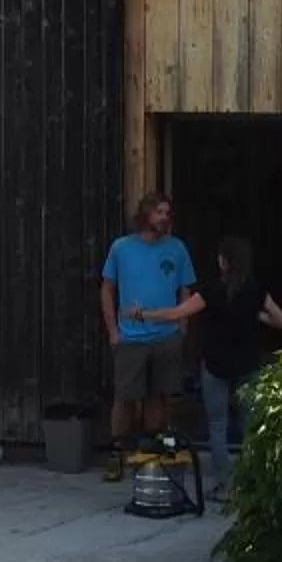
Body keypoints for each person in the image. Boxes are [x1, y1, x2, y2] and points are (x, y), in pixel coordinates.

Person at [128, 235, 282, 485]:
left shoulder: (212, 291)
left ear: (224, 262)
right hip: (247, 365)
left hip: (215, 365)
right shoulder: (256, 291)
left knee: (217, 426)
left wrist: (142, 314)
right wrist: (258, 316)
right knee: (249, 426)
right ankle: (249, 484)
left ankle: (224, 485)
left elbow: (176, 313)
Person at [100, 193, 195, 453]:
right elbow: (107, 289)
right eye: (159, 212)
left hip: (166, 335)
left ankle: (151, 453)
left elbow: (185, 290)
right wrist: (113, 331)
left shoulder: (177, 248)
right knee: (124, 397)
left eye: (167, 213)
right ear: (145, 215)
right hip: (130, 336)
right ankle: (117, 455)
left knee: (159, 396)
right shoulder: (121, 248)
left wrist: (182, 326)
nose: (164, 217)